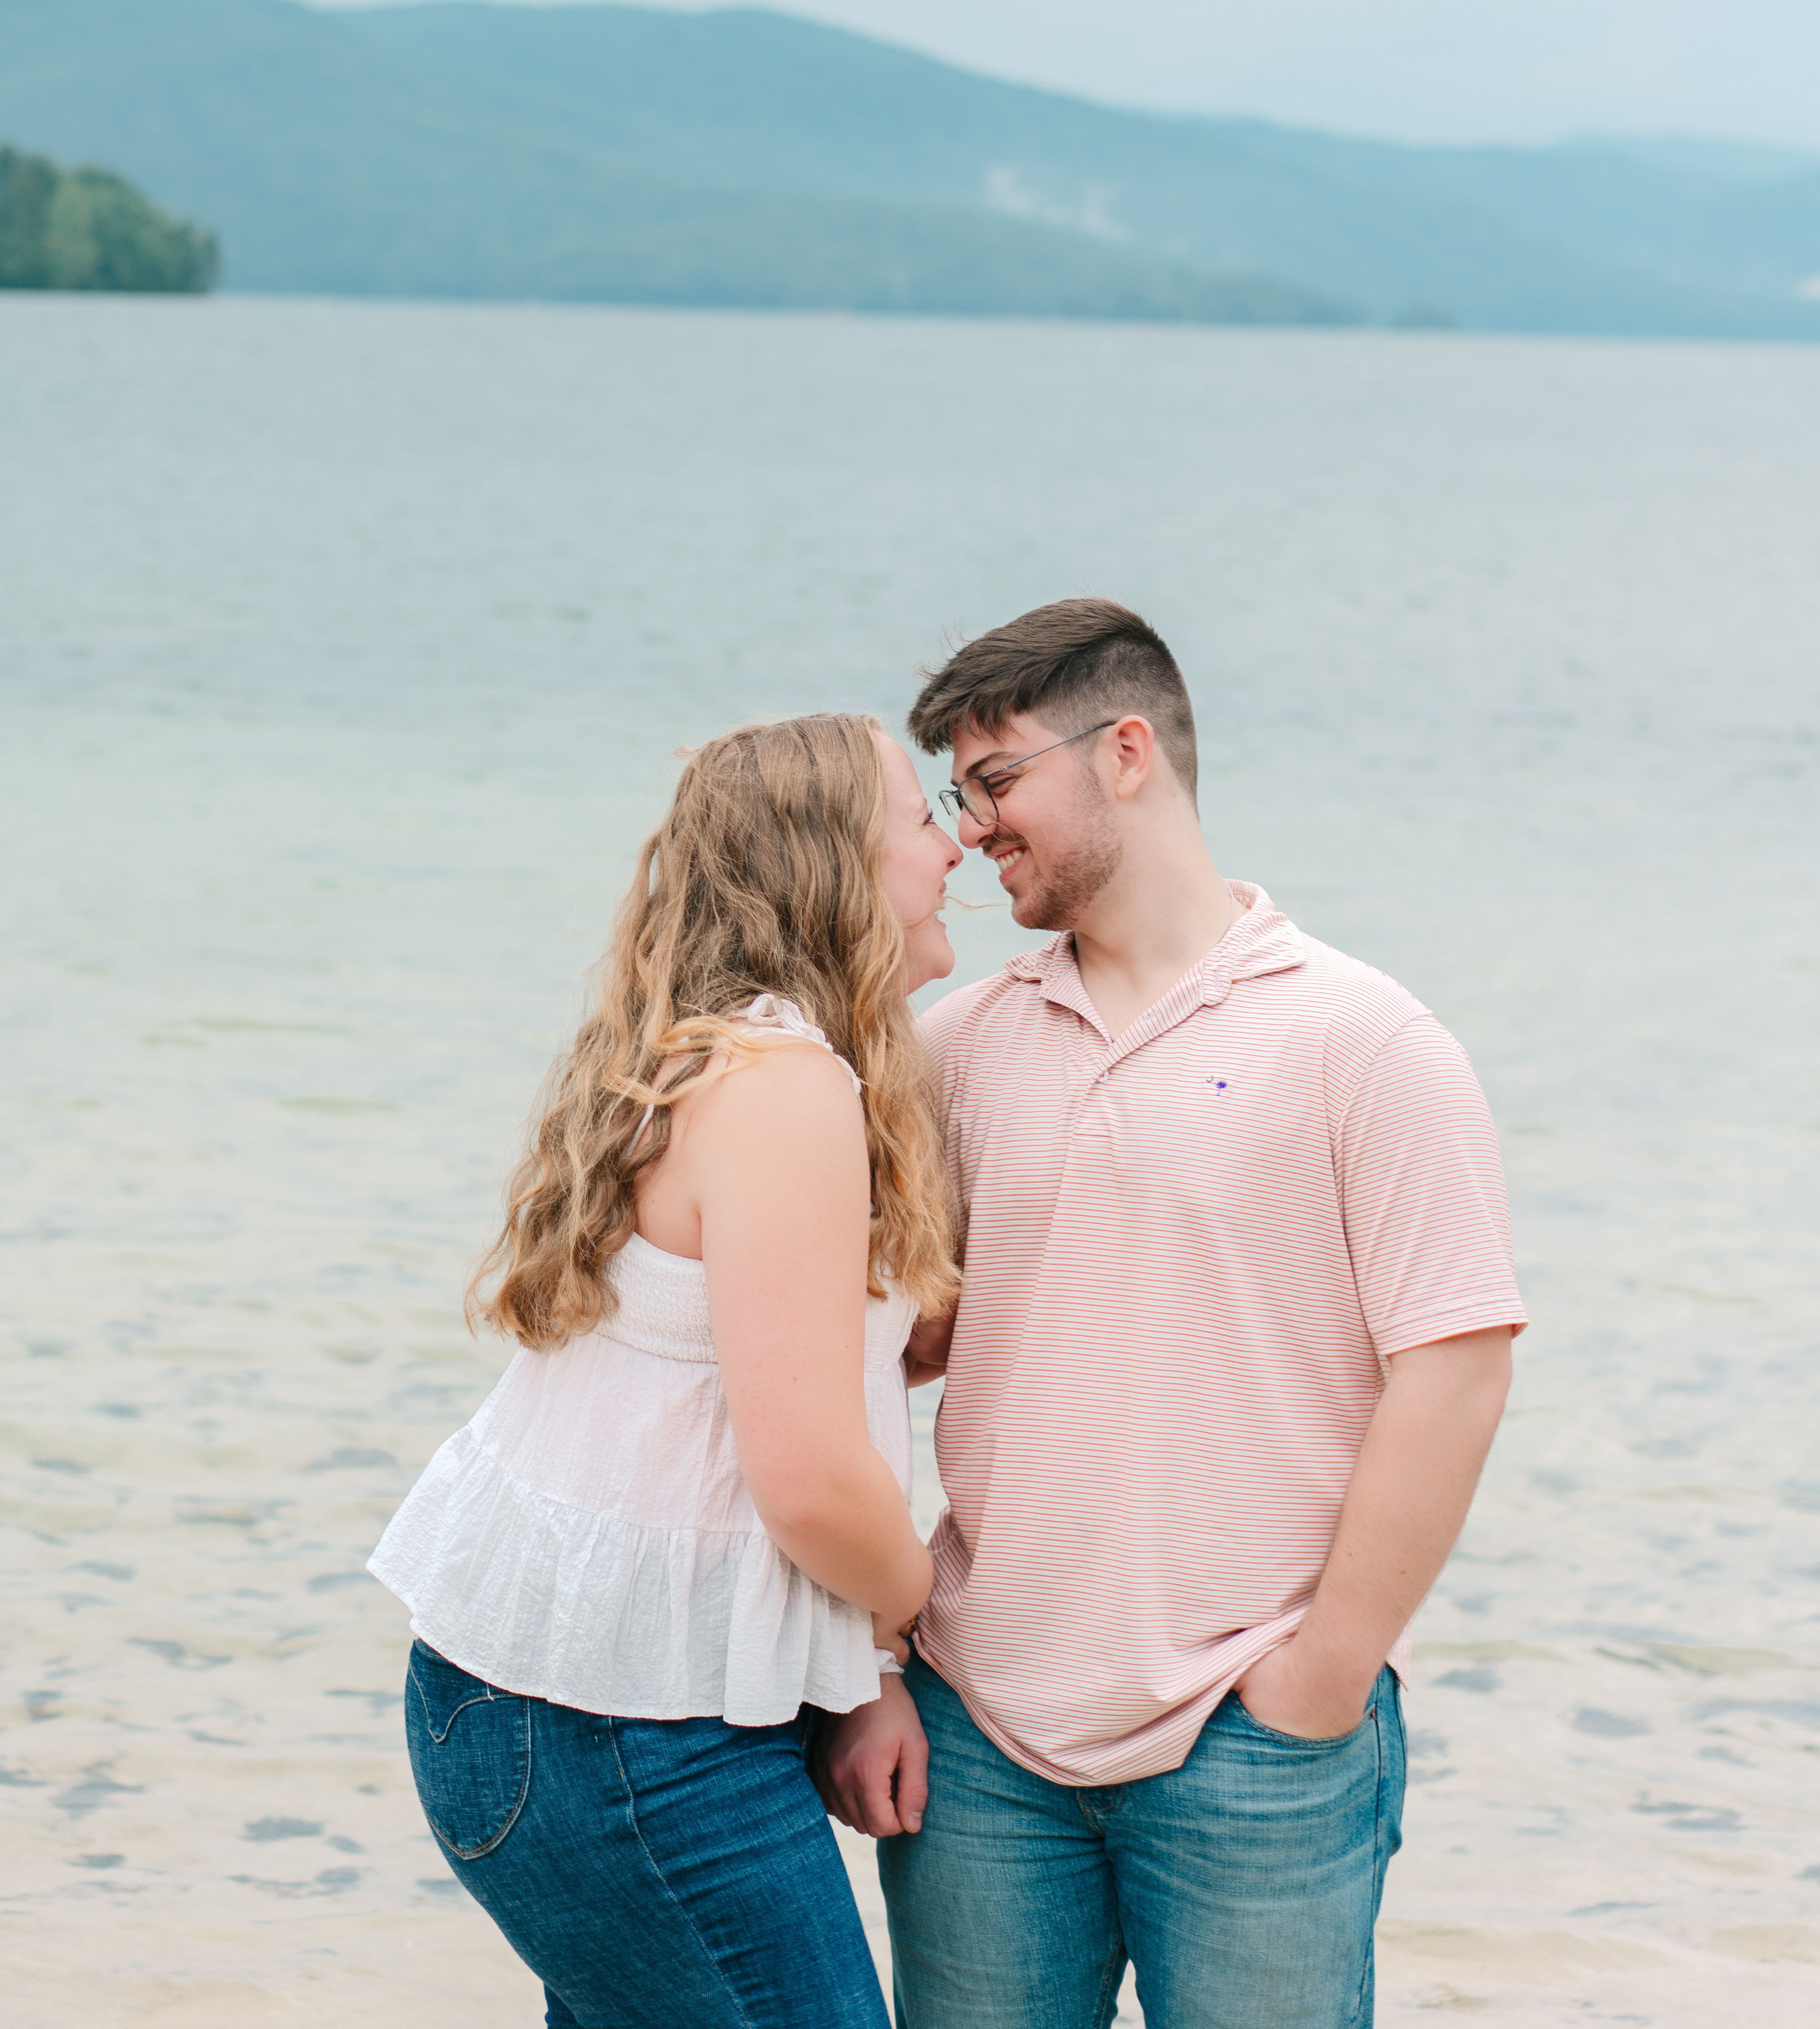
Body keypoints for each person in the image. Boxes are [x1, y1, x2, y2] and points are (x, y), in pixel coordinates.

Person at [812, 597, 1525, 2029]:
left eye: (998, 780)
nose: (971, 829)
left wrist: (1323, 1673)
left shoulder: (1362, 1038)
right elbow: (868, 1362)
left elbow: (1451, 1369)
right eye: (954, 794)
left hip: (1252, 1743)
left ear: (1126, 749)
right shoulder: (954, 1047)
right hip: (981, 1731)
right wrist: (871, 1667)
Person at [370, 711, 963, 2029]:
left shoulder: (711, 1051)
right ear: (836, 868)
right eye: (922, 818)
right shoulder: (787, 1086)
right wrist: (918, 1613)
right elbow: (805, 1478)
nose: (957, 845)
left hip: (551, 1707)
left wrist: (858, 1671)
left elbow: (713, 1392)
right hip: (622, 1736)